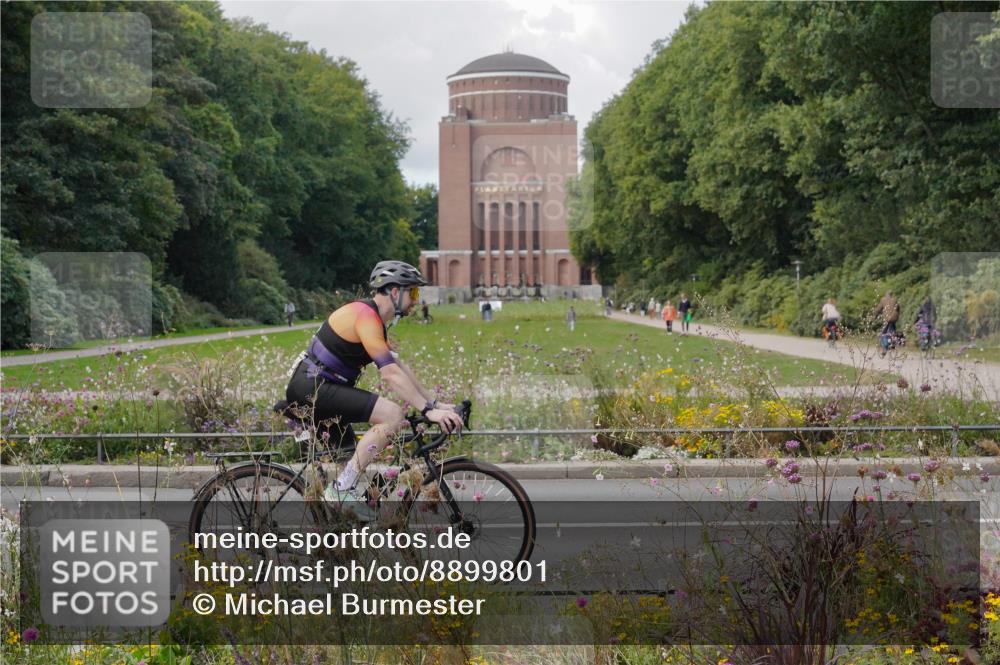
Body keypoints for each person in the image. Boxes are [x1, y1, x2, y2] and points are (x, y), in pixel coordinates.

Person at [282, 260, 463, 519]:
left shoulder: (373, 320)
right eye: (412, 292)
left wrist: (434, 404)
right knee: (392, 416)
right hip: (312, 388)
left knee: (352, 470)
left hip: (321, 387)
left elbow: (397, 364)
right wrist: (426, 410)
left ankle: (339, 537)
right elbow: (389, 373)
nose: (415, 300)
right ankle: (340, 490)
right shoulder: (365, 316)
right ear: (394, 292)